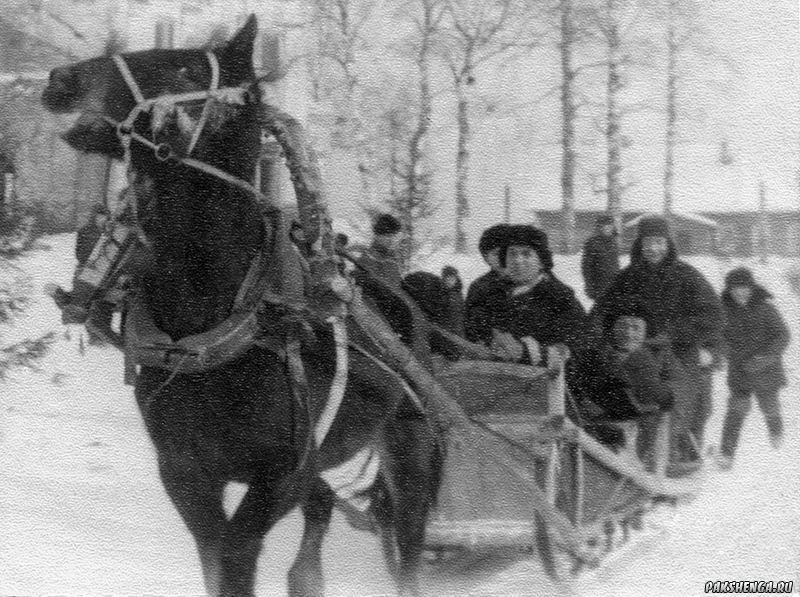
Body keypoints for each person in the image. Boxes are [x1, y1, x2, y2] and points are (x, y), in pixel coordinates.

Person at [591, 215, 724, 464]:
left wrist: (674, 333)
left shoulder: (686, 275)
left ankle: (673, 456)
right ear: (640, 244)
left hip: (678, 350)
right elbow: (600, 312)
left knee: (679, 394)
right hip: (634, 348)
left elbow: (713, 315)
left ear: (669, 244)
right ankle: (615, 454)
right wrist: (603, 338)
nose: (653, 248)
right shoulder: (627, 277)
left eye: (659, 242)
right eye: (648, 242)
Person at [572, 296, 677, 469]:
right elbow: (579, 386)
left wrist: (664, 394)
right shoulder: (595, 355)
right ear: (612, 328)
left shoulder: (661, 356)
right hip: (603, 424)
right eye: (623, 325)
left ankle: (657, 465)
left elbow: (678, 385)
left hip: (648, 425)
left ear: (646, 331)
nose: (629, 333)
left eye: (636, 327)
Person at [717, 267, 790, 470]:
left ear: (752, 287)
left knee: (770, 407)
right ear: (729, 290)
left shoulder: (766, 309)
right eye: (735, 288)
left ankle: (776, 430)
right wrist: (726, 351)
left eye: (744, 288)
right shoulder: (723, 310)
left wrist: (767, 356)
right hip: (739, 371)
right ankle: (726, 453)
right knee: (735, 412)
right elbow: (718, 336)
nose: (740, 292)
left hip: (767, 370)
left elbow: (783, 335)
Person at [486, 224, 586, 366]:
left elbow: (578, 353)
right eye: (512, 253)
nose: (517, 260)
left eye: (526, 254)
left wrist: (524, 352)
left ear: (541, 262)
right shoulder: (496, 295)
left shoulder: (561, 300)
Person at [464, 223, 512, 344]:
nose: (502, 258)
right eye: (496, 253)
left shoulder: (530, 283)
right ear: (486, 258)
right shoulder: (479, 287)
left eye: (506, 252)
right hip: (490, 354)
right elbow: (470, 325)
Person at [581, 213, 619, 301]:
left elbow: (615, 263)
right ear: (600, 228)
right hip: (599, 283)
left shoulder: (614, 242)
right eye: (605, 227)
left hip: (614, 283)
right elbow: (586, 267)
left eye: (610, 226)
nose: (608, 229)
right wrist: (589, 286)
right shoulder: (592, 243)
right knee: (602, 309)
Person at [440, 265, 465, 337]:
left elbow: (462, 312)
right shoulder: (441, 294)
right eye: (447, 279)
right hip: (446, 331)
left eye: (452, 278)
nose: (449, 281)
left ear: (456, 279)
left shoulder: (459, 294)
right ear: (443, 280)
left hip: (460, 330)